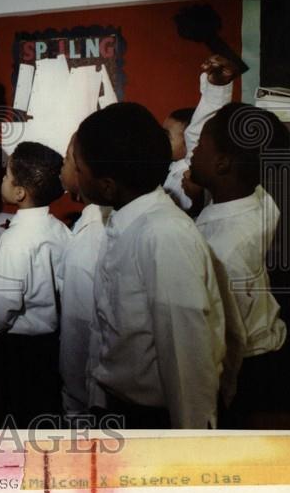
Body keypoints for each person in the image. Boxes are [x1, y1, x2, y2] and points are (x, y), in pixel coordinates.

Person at [76, 102, 227, 429]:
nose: (75, 175)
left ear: (106, 185)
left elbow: (187, 362)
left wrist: (190, 450)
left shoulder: (163, 235)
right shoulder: (125, 220)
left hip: (152, 420)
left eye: (79, 168)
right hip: (117, 409)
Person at [187, 102, 290, 422]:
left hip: (247, 369)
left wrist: (225, 399)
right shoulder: (258, 197)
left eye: (201, 144)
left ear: (222, 164)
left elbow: (228, 342)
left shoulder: (221, 249)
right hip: (267, 341)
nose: (192, 150)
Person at [0, 141, 70, 426]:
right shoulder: (61, 230)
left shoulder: (15, 240)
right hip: (50, 344)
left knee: (15, 414)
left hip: (18, 348)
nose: (1, 179)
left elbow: (0, 304)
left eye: (6, 176)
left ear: (19, 192)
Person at [56, 133, 111, 421]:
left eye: (66, 160)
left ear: (83, 170)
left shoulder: (90, 238)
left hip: (85, 403)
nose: (61, 168)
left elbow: (79, 328)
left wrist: (74, 402)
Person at [163, 55, 237, 212]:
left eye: (167, 136)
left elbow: (197, 133)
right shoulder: (171, 166)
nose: (160, 141)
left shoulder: (192, 168)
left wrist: (217, 88)